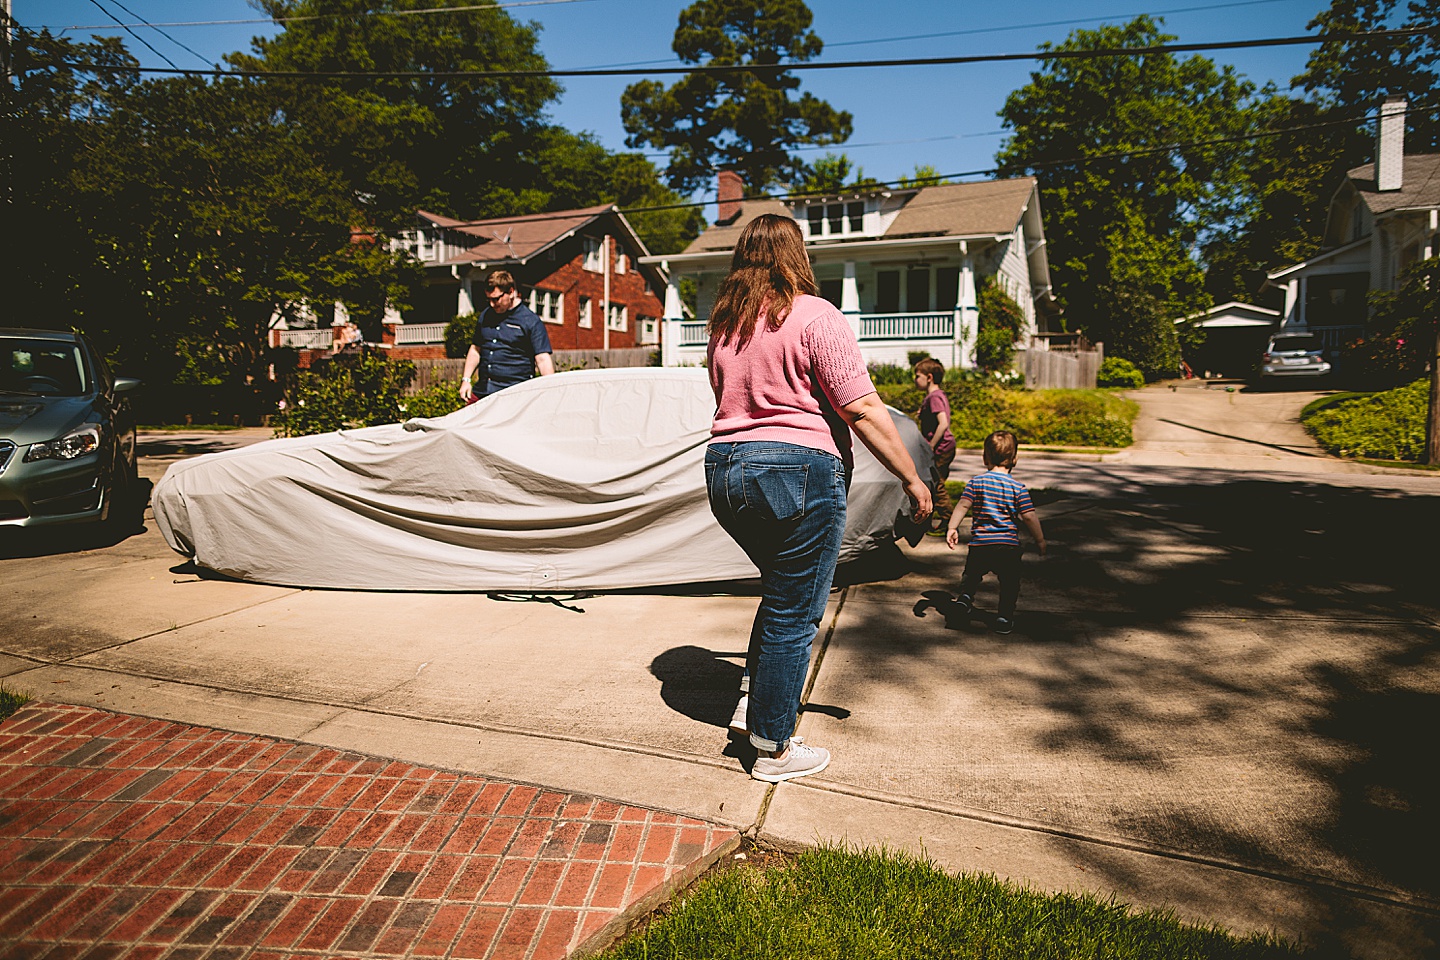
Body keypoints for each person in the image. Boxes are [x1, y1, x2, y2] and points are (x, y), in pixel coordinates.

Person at [705, 213, 932, 783]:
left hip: (725, 471)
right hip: (797, 470)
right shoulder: (814, 315)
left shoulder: (726, 324)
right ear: (795, 255)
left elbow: (730, 402)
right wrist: (912, 477)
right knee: (795, 609)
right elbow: (859, 406)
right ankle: (773, 748)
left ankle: (753, 710)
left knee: (779, 595)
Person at [944, 430, 1046, 635]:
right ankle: (1004, 617)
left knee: (971, 576)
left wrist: (952, 527)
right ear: (1015, 459)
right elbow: (1029, 516)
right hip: (1007, 547)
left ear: (985, 457)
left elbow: (963, 505)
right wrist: (1040, 540)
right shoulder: (1018, 488)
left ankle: (965, 599)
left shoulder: (976, 483)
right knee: (1009, 584)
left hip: (980, 544)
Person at [459, 270, 556, 401]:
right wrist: (466, 380)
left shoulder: (530, 321)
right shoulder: (486, 316)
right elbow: (476, 349)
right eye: (488, 299)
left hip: (515, 394)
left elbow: (542, 359)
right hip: (483, 391)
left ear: (510, 292)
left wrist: (551, 392)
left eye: (496, 299)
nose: (492, 304)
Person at [913, 357, 955, 531]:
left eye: (917, 376)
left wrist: (931, 445)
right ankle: (939, 521)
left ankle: (949, 521)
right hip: (945, 447)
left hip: (941, 447)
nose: (915, 380)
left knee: (936, 485)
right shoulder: (936, 396)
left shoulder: (934, 397)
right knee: (936, 482)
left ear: (929, 377)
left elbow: (943, 423)